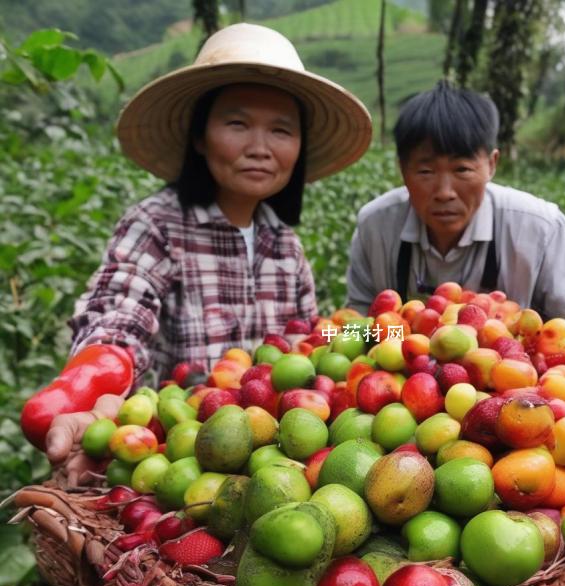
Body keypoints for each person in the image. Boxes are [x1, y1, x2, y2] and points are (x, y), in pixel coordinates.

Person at [44, 23, 372, 476]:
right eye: (237, 123)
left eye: (281, 130)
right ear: (199, 137)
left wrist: (397, 334)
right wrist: (97, 389)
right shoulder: (157, 226)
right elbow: (119, 315)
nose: (259, 147)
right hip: (177, 462)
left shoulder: (285, 248)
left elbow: (311, 339)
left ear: (299, 147)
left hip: (269, 465)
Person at [345, 81, 565, 390]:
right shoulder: (376, 226)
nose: (445, 192)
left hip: (516, 398)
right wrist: (392, 334)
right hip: (400, 393)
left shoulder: (537, 227)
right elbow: (354, 327)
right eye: (425, 172)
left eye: (462, 170)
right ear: (402, 170)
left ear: (492, 164)